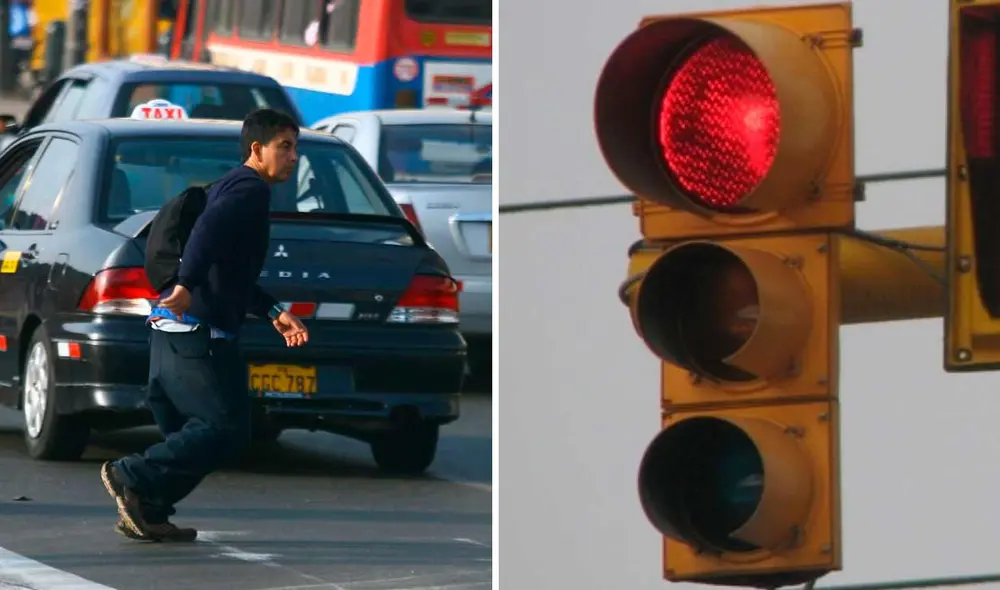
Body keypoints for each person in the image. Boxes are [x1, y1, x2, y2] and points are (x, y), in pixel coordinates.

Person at [100, 108, 310, 542]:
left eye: (296, 148)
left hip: (174, 334)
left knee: (196, 434)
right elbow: (207, 234)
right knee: (225, 429)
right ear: (257, 149)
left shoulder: (230, 186)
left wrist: (273, 311)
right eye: (285, 147)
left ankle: (147, 507)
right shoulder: (250, 189)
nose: (293, 157)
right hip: (199, 332)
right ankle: (132, 476)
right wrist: (186, 284)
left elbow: (228, 271)